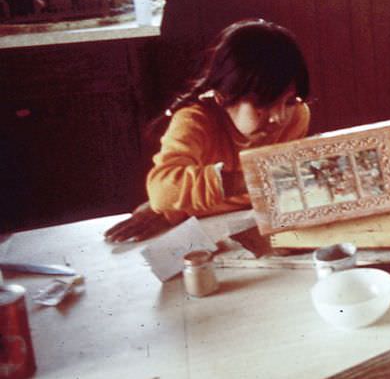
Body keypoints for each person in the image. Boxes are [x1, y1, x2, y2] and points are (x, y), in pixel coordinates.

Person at [104, 19, 311, 243]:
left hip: (255, 225)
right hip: (201, 233)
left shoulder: (297, 116)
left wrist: (178, 209)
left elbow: (278, 192)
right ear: (223, 97)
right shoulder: (195, 121)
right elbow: (162, 191)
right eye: (263, 103)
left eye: (289, 100)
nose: (279, 116)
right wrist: (251, 180)